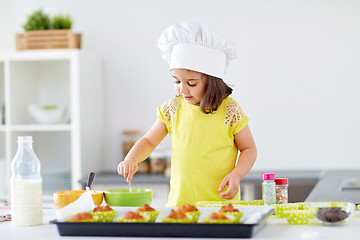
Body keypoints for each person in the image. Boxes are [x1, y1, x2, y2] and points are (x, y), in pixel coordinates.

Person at [118, 22, 257, 207]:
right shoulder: (172, 108)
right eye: (176, 81)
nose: (182, 89)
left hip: (221, 206)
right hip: (179, 206)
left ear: (212, 81)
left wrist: (236, 174)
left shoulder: (230, 111)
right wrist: (131, 158)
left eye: (191, 83)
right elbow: (149, 141)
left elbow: (249, 149)